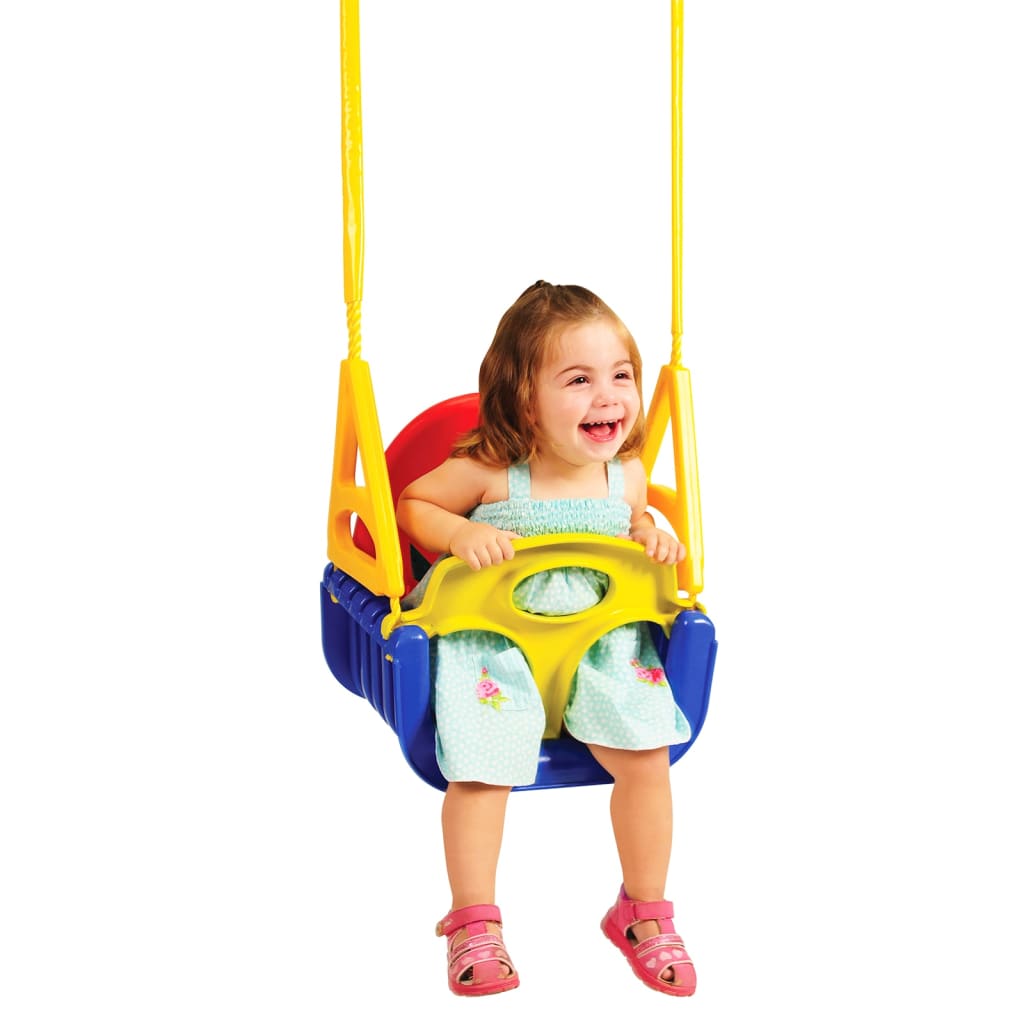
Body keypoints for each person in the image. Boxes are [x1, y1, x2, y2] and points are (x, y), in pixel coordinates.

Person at [396, 281, 697, 998]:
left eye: (621, 375)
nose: (608, 396)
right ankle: (473, 919)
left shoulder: (624, 476)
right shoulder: (492, 471)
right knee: (481, 772)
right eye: (579, 380)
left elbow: (635, 525)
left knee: (648, 761)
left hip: (601, 647)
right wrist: (459, 532)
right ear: (524, 399)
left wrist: (651, 533)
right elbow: (413, 503)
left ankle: (642, 910)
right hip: (497, 651)